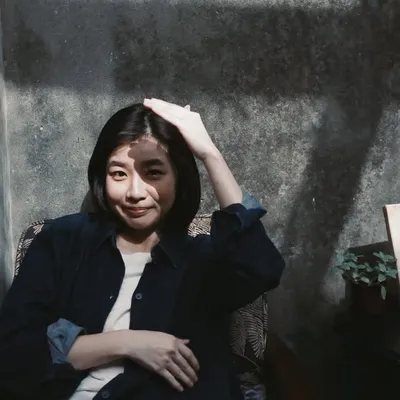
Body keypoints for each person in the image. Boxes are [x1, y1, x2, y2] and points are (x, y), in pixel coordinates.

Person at [0, 99, 285, 400]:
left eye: (154, 173)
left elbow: (262, 269)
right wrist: (130, 343)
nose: (135, 193)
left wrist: (209, 154)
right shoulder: (61, 240)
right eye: (119, 174)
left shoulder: (205, 259)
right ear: (102, 177)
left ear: (179, 178)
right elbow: (12, 353)